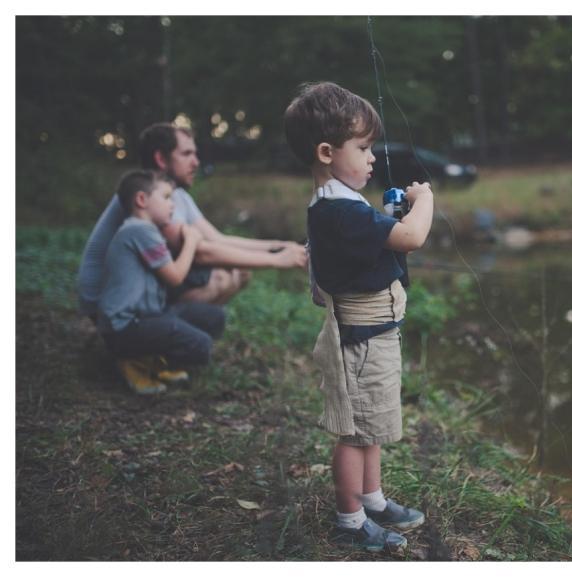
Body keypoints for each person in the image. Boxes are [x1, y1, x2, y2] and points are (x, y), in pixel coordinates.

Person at [284, 81, 434, 552]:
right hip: (362, 339)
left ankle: (372, 498)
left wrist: (389, 213)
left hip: (376, 333)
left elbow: (373, 242)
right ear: (327, 151)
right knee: (354, 433)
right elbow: (410, 238)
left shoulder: (342, 204)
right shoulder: (338, 210)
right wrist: (423, 201)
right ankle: (350, 521)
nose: (372, 157)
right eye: (364, 147)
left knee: (371, 425)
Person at [76, 122, 307, 317]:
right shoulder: (150, 200)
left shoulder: (175, 194)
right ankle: (157, 349)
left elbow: (217, 238)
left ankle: (176, 342)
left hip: (136, 290)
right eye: (186, 154)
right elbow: (201, 252)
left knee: (239, 271)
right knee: (220, 276)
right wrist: (278, 261)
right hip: (106, 302)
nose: (196, 162)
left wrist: (277, 246)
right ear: (161, 159)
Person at [98, 169, 226, 395]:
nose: (172, 205)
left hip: (147, 317)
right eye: (166, 197)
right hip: (125, 328)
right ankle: (133, 362)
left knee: (215, 317)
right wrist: (192, 241)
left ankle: (151, 359)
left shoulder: (145, 230)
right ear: (141, 200)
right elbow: (175, 277)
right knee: (201, 346)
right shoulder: (139, 230)